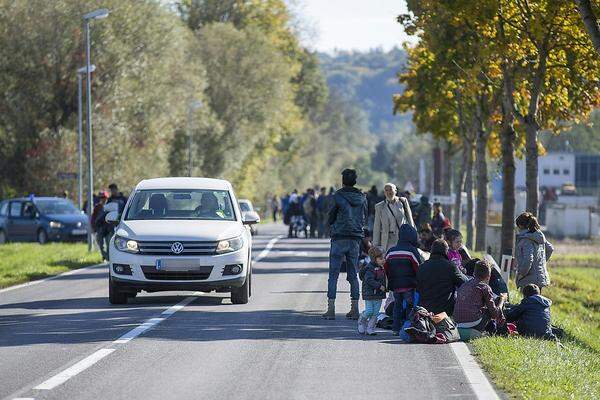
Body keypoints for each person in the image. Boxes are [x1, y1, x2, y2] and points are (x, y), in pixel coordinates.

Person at [322, 169, 367, 321]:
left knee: (333, 275)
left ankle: (331, 309)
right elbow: (364, 217)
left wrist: (329, 226)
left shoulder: (338, 196)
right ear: (355, 180)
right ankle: (355, 309)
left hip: (339, 237)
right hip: (355, 239)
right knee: (353, 275)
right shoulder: (362, 197)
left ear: (343, 180)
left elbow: (331, 215)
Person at [384, 223, 423, 335]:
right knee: (410, 307)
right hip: (409, 286)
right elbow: (418, 268)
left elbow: (386, 267)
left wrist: (390, 280)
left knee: (397, 305)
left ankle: (395, 328)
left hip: (395, 286)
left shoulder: (391, 251)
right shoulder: (412, 251)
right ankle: (407, 327)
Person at [453, 260, 507, 335]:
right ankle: (501, 332)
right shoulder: (485, 287)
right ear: (489, 276)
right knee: (496, 303)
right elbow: (494, 313)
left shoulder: (465, 284)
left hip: (458, 322)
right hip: (473, 323)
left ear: (474, 273)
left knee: (484, 309)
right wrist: (502, 300)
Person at [417, 239, 468, 316]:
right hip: (445, 311)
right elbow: (464, 282)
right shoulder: (450, 266)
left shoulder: (422, 267)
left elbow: (417, 288)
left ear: (432, 251)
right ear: (446, 252)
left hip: (425, 311)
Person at [515, 212, 554, 292]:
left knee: (528, 303)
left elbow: (528, 259)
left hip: (529, 279)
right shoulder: (538, 236)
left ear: (521, 225)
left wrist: (521, 274)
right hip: (540, 277)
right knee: (537, 302)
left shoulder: (526, 240)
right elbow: (550, 249)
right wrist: (540, 264)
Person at [373, 183, 415, 252]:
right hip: (387, 240)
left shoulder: (403, 201)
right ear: (384, 193)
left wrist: (413, 236)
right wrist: (375, 245)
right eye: (386, 190)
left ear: (395, 191)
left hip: (402, 238)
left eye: (390, 190)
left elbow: (410, 220)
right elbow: (377, 226)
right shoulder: (379, 206)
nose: (389, 192)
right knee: (389, 259)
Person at [358, 246, 387, 335]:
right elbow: (369, 280)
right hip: (369, 294)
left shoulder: (382, 268)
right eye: (381, 258)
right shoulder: (370, 268)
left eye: (384, 258)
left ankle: (370, 328)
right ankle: (361, 320)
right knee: (369, 311)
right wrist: (379, 286)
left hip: (379, 294)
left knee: (375, 313)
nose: (383, 260)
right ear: (374, 259)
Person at [91, 191, 110, 261]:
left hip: (109, 228)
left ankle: (108, 257)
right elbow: (93, 218)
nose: (103, 199)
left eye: (104, 198)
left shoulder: (110, 207)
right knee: (100, 244)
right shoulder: (97, 207)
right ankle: (105, 256)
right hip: (100, 228)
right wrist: (93, 227)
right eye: (101, 198)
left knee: (109, 244)